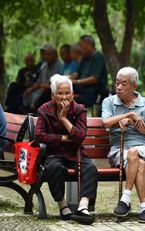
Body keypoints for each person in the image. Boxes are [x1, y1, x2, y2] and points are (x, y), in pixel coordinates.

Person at [35, 74, 98, 225]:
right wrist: (63, 138)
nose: (64, 96)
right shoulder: (44, 109)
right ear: (53, 95)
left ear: (72, 93)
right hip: (54, 153)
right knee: (54, 168)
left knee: (90, 167)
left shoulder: (79, 109)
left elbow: (80, 136)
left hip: (75, 152)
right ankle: (62, 205)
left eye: (67, 93)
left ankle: (83, 207)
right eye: (60, 93)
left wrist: (64, 118)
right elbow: (39, 135)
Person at [102, 67, 145, 223]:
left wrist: (133, 122)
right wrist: (128, 114)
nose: (118, 87)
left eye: (123, 84)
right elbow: (105, 123)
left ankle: (125, 199)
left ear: (134, 86)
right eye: (117, 83)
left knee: (135, 153)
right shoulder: (109, 102)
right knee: (139, 161)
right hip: (118, 149)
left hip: (144, 148)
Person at [70, 35, 108, 107]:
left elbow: (94, 79)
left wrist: (77, 82)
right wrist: (67, 80)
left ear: (88, 45)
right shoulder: (85, 57)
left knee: (71, 101)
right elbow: (77, 73)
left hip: (94, 92)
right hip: (82, 89)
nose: (80, 48)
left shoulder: (97, 57)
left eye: (81, 45)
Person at [23, 44, 63, 112]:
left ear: (55, 55)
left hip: (51, 90)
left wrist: (43, 86)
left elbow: (58, 84)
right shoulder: (44, 65)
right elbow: (39, 81)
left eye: (49, 54)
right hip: (41, 89)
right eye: (45, 54)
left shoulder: (60, 65)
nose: (46, 56)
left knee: (43, 95)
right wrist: (31, 89)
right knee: (26, 94)